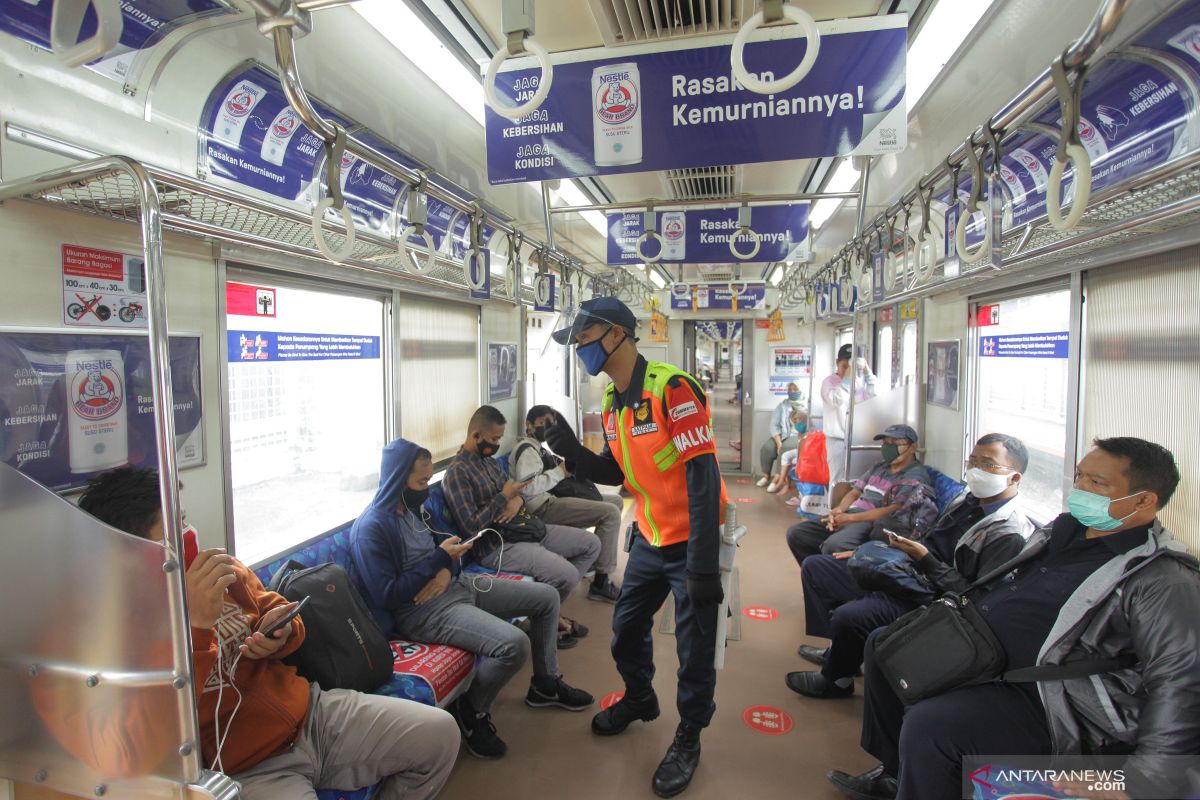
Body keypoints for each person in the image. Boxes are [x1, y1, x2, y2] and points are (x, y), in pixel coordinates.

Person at [831, 437, 1200, 800]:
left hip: (1050, 692)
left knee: (932, 728)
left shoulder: (1163, 579)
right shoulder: (1061, 532)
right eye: (1080, 476)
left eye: (1097, 483)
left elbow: (1180, 679)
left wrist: (1143, 780)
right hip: (982, 649)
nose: (1080, 487)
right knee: (885, 648)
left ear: (1143, 500)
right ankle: (898, 772)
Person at [77, 467, 459, 800]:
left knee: (440, 736)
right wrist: (197, 627)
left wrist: (279, 634)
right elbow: (146, 737)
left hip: (312, 714)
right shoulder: (117, 633)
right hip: (248, 766)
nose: (188, 532)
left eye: (185, 518)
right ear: (133, 551)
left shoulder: (221, 571)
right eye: (173, 529)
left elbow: (278, 609)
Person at [545, 297, 729, 799]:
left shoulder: (671, 388)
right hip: (649, 535)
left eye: (583, 337)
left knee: (693, 649)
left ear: (615, 333)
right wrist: (572, 451)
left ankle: (689, 734)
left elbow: (703, 475)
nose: (578, 347)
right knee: (625, 628)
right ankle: (640, 696)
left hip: (692, 539)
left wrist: (704, 565)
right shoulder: (610, 403)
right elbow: (617, 472)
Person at [350, 439, 594, 761]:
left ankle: (545, 684)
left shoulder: (415, 510)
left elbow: (453, 547)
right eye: (421, 482)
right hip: (423, 611)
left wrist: (447, 570)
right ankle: (472, 710)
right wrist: (438, 562)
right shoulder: (372, 528)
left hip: (458, 585)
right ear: (397, 478)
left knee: (547, 598)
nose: (426, 488)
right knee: (513, 645)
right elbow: (388, 595)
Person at [787, 433, 1034, 699]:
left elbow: (972, 597)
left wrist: (924, 559)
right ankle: (840, 651)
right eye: (972, 461)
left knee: (851, 615)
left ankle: (836, 680)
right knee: (818, 567)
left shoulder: (1008, 532)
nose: (975, 469)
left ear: (1015, 477)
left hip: (934, 597)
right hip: (910, 570)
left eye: (987, 464)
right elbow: (928, 536)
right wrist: (879, 552)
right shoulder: (966, 500)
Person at [443, 404, 599, 646]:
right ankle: (545, 622)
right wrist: (503, 498)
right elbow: (471, 528)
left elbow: (515, 493)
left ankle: (546, 612)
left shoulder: (489, 462)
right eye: (494, 438)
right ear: (476, 435)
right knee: (567, 576)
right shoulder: (456, 474)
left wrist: (514, 500)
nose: (496, 444)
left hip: (525, 527)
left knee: (591, 544)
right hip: (498, 544)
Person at [786, 424, 935, 563]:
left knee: (833, 546)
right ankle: (816, 576)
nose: (889, 448)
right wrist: (839, 510)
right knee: (797, 534)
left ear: (912, 448)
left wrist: (850, 518)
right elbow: (855, 492)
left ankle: (834, 582)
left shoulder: (914, 477)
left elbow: (893, 510)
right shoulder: (879, 467)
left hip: (869, 520)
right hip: (851, 514)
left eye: (895, 443)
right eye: (886, 443)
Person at [521, 405, 625, 603]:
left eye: (550, 423)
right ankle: (600, 582)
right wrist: (559, 472)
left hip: (553, 499)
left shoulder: (541, 450)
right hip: (542, 508)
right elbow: (528, 488)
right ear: (529, 425)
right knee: (610, 513)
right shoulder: (526, 451)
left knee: (616, 501)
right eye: (542, 423)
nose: (546, 428)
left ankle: (596, 562)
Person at [821, 344, 877, 485]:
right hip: (837, 440)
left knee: (859, 481)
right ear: (836, 363)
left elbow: (874, 397)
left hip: (859, 439)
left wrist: (867, 374)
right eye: (844, 366)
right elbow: (836, 399)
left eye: (851, 367)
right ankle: (834, 507)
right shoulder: (829, 383)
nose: (847, 371)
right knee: (838, 481)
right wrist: (846, 380)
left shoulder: (860, 382)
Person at [757, 383, 804, 492]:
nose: (793, 392)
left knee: (785, 448)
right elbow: (774, 425)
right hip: (783, 434)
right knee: (767, 448)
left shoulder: (805, 405)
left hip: (797, 436)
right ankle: (766, 476)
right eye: (790, 390)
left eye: (795, 390)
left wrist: (781, 446)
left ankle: (777, 479)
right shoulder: (782, 405)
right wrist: (778, 443)